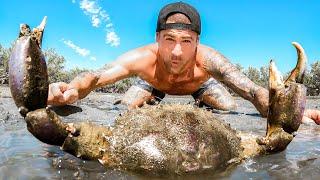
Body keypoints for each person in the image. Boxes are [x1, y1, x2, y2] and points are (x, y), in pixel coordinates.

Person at [48, 2, 320, 124]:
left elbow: (251, 91)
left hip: (201, 87)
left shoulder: (210, 59)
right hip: (153, 85)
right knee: (124, 108)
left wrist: (290, 112)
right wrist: (70, 89)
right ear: (157, 38)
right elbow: (96, 76)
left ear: (197, 42)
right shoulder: (143, 57)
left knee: (229, 107)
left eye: (186, 41)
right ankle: (153, 98)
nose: (177, 51)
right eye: (169, 39)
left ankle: (201, 100)